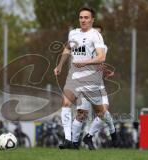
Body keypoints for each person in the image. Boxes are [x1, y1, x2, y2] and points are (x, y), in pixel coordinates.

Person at [54, 7, 113, 149]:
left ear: (92, 20)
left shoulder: (96, 36)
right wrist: (60, 65)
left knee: (99, 112)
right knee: (66, 103)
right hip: (74, 77)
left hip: (91, 80)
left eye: (86, 17)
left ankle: (95, 135)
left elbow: (101, 57)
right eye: (81, 17)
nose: (83, 20)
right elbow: (68, 48)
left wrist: (86, 63)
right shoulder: (73, 33)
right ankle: (69, 140)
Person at [71, 24, 117, 150]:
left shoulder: (103, 48)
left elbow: (97, 63)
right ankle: (75, 144)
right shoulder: (81, 46)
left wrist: (105, 70)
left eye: (99, 33)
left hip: (98, 86)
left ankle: (89, 136)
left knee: (103, 112)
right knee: (81, 115)